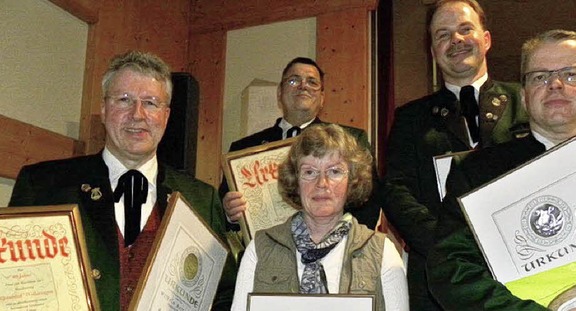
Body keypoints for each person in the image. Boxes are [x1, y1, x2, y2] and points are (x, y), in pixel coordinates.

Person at [427, 29, 576, 310]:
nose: (555, 84)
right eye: (540, 77)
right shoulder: (479, 173)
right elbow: (452, 272)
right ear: (524, 96)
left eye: (572, 74)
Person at [9, 51, 236, 310]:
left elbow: (224, 294)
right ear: (104, 110)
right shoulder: (42, 185)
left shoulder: (201, 199)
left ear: (166, 116)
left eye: (151, 103)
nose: (137, 114)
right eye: (124, 100)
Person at [381, 0, 529, 309]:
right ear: (433, 50)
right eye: (443, 34)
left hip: (526, 263)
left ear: (486, 39)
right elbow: (397, 190)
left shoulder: (526, 100)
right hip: (439, 281)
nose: (456, 40)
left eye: (465, 29)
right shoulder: (410, 118)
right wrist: (448, 245)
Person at [230, 124, 408, 311]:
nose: (322, 183)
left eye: (334, 171)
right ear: (295, 180)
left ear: (352, 181)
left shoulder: (382, 252)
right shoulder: (260, 249)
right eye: (309, 172)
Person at [220, 57, 381, 230]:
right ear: (279, 93)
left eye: (312, 82)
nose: (303, 86)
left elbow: (368, 203)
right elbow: (219, 217)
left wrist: (338, 246)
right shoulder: (243, 150)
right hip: (264, 252)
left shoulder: (351, 140)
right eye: (293, 80)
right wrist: (230, 215)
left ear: (322, 98)